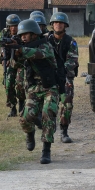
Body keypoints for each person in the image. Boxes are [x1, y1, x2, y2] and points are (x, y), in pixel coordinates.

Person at [10, 18, 59, 164]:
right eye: (21, 35)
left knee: (48, 114)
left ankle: (46, 150)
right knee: (25, 118)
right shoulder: (24, 48)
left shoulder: (46, 46)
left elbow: (36, 54)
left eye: (26, 34)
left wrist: (20, 50)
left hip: (50, 87)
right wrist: (15, 53)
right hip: (33, 88)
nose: (23, 37)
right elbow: (14, 65)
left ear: (35, 34)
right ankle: (30, 133)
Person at [48, 12, 79, 144]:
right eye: (56, 23)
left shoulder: (70, 41)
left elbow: (73, 60)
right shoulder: (46, 40)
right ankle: (48, 130)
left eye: (60, 23)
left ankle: (64, 131)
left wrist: (62, 72)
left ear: (65, 25)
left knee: (67, 103)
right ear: (52, 25)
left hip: (65, 76)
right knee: (48, 104)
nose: (58, 25)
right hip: (49, 77)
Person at [0, 14, 26, 117]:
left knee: (20, 84)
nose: (13, 28)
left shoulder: (23, 33)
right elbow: (1, 45)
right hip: (10, 62)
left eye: (15, 25)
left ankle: (22, 104)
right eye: (11, 26)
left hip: (21, 62)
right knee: (8, 84)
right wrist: (3, 56)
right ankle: (12, 107)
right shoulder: (5, 33)